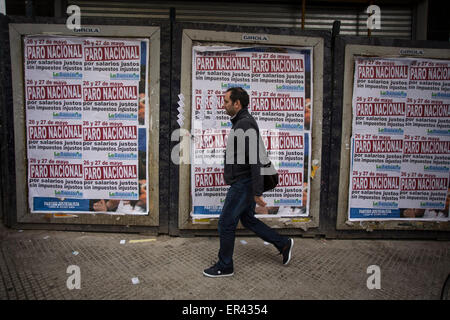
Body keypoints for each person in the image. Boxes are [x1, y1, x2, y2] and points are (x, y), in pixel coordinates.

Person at [203, 87, 294, 278]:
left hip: (243, 182)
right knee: (248, 219)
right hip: (244, 181)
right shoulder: (242, 123)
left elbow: (255, 159)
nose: (224, 105)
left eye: (227, 101)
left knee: (226, 223)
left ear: (237, 103)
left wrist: (257, 191)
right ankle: (283, 243)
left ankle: (225, 265)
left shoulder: (244, 124)